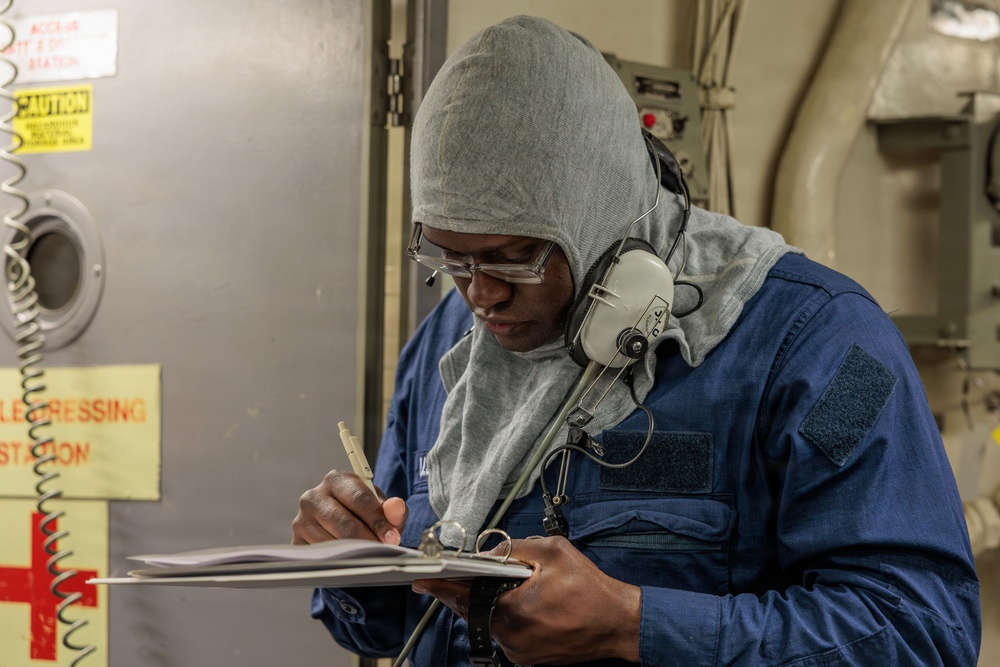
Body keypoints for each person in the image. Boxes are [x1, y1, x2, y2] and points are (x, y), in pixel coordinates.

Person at [291, 15, 981, 666]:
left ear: (602, 215)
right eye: (451, 258)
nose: (480, 295)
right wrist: (354, 565)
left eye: (514, 257)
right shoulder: (448, 346)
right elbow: (388, 623)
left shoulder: (822, 343)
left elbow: (923, 629)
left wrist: (634, 622)